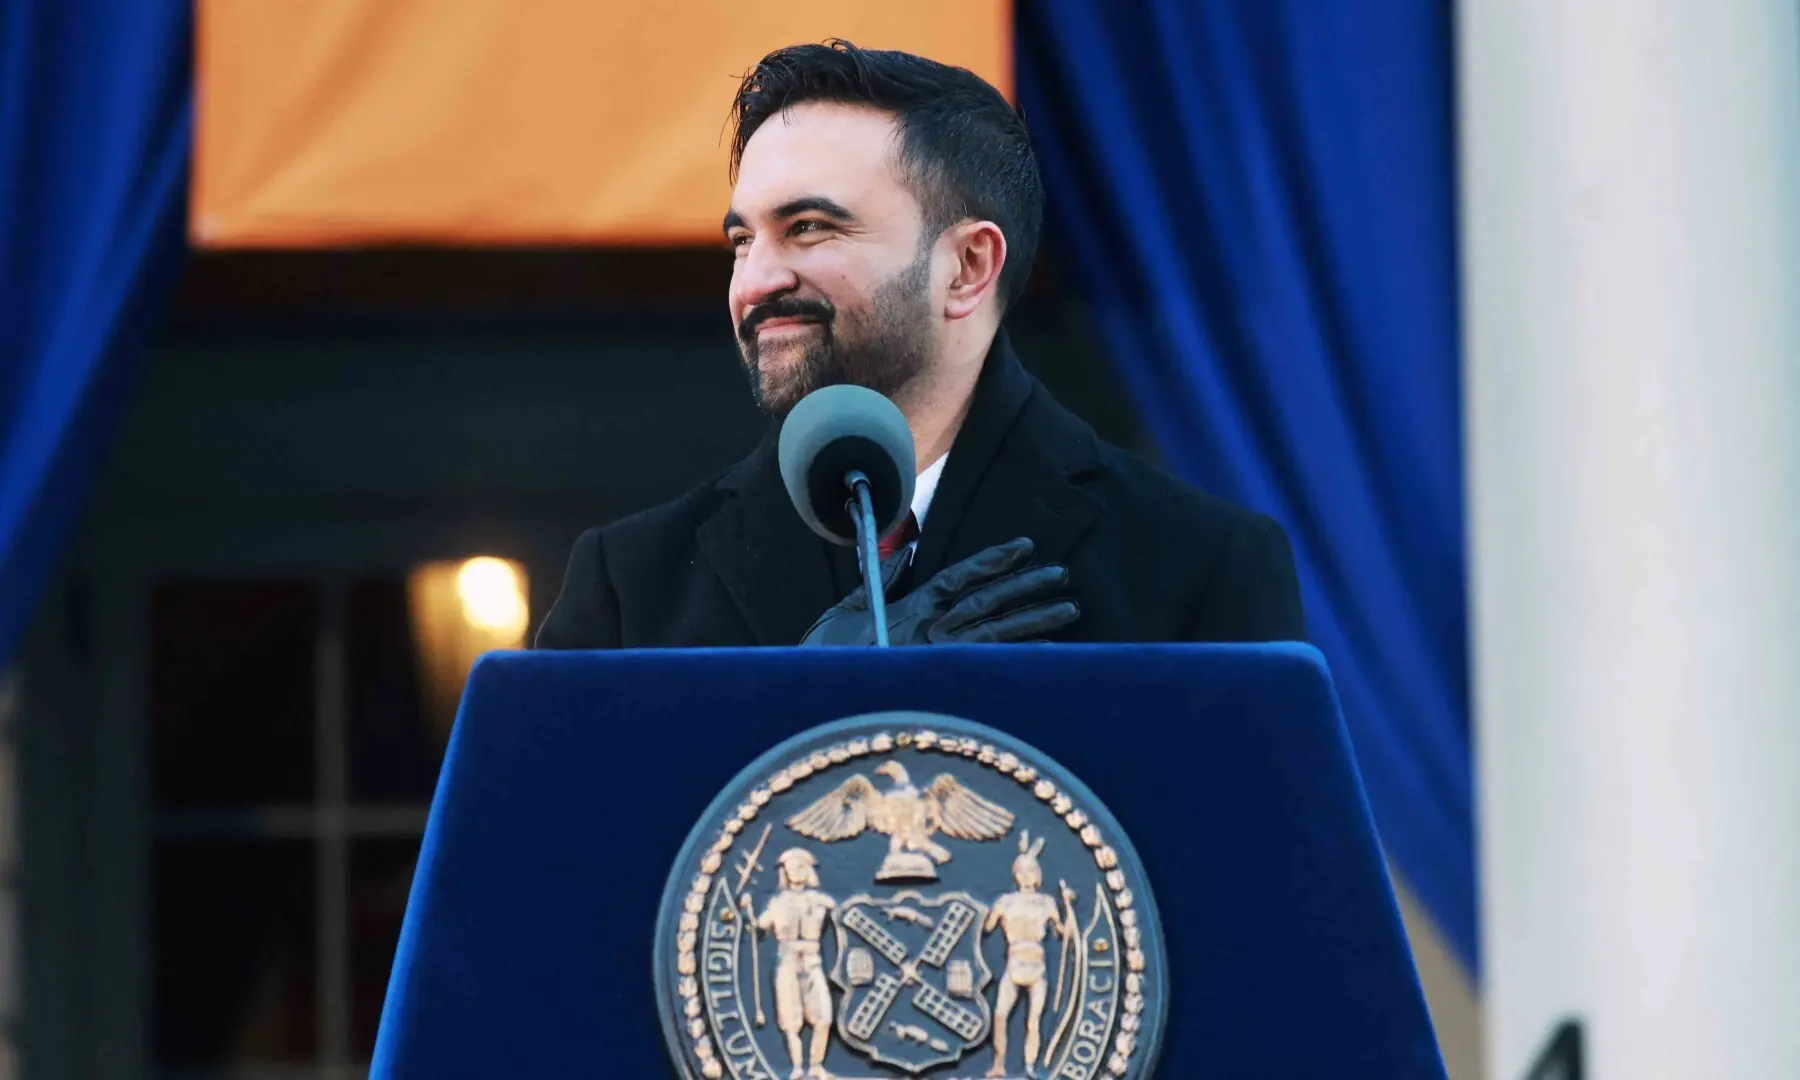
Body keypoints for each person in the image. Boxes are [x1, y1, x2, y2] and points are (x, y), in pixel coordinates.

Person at [536, 41, 1305, 650]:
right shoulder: (630, 587)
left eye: (808, 228)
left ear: (968, 266)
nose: (755, 280)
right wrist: (808, 695)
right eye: (743, 240)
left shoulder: (1196, 568)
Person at [982, 833, 1077, 1078]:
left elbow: (1065, 933)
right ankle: (998, 1065)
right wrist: (985, 913)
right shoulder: (1005, 902)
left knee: (1033, 1020)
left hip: (1037, 966)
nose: (1026, 876)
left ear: (1037, 875)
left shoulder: (1046, 903)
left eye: (1030, 871)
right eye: (1021, 871)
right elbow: (986, 928)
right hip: (1014, 963)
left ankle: (1029, 1068)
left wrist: (1067, 905)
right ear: (1016, 875)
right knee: (1000, 1015)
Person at [755, 848, 838, 1080]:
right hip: (787, 962)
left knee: (823, 1017)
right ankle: (797, 1069)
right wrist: (747, 914)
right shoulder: (777, 903)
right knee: (791, 1020)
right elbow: (760, 926)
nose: (796, 871)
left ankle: (816, 1066)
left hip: (813, 962)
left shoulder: (822, 901)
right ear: (784, 871)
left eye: (801, 865)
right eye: (791, 866)